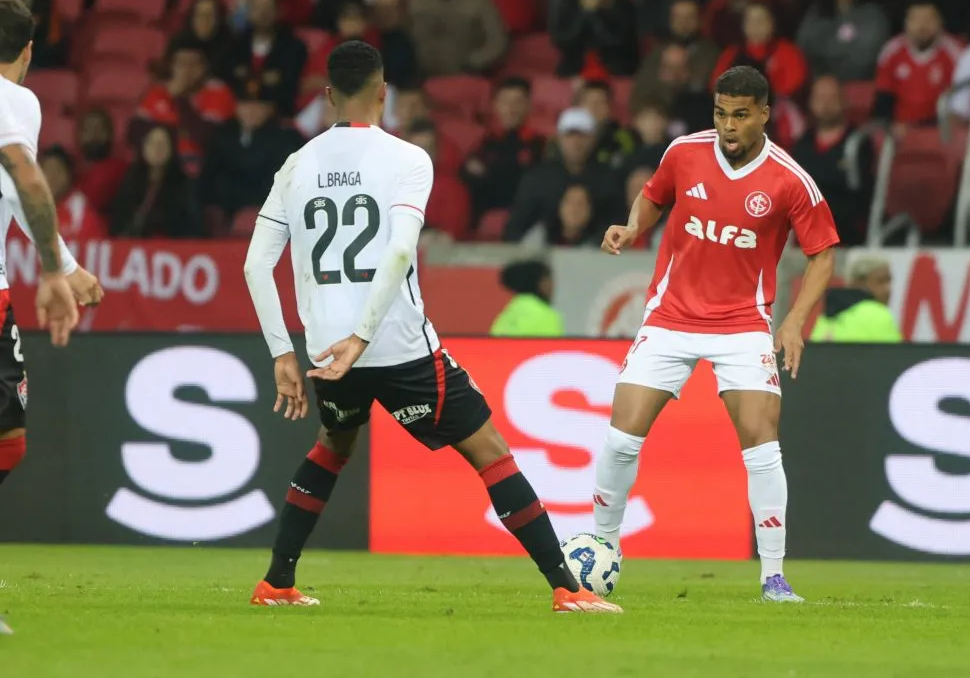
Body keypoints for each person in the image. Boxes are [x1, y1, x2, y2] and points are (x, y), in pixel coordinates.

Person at [243, 40, 620, 614]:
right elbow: (397, 254)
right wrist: (365, 338)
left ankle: (276, 581)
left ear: (327, 96)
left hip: (325, 351)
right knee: (490, 451)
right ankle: (567, 587)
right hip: (395, 346)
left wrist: (282, 355)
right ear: (383, 92)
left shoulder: (296, 166)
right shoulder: (408, 159)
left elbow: (254, 265)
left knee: (333, 446)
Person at [592, 66, 839, 603]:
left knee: (761, 443)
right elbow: (654, 197)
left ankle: (773, 577)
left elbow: (823, 254)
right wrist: (634, 226)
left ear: (764, 115)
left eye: (741, 115)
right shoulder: (684, 152)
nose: (729, 126)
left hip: (743, 325)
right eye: (721, 113)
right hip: (670, 317)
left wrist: (794, 320)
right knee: (621, 435)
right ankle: (603, 549)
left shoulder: (789, 178)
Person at [0, 0, 104, 494]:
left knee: (8, 439)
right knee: (8, 440)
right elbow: (28, 184)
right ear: (28, 51)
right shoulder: (15, 100)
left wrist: (65, 265)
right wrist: (53, 271)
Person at [810, 256, 902, 343]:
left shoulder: (825, 318)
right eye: (880, 281)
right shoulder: (879, 314)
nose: (888, 289)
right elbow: (898, 357)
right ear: (859, 282)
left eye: (889, 281)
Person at [490, 260, 564, 337]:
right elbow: (551, 348)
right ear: (540, 283)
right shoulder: (545, 315)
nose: (552, 285)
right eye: (548, 279)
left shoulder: (506, 316)